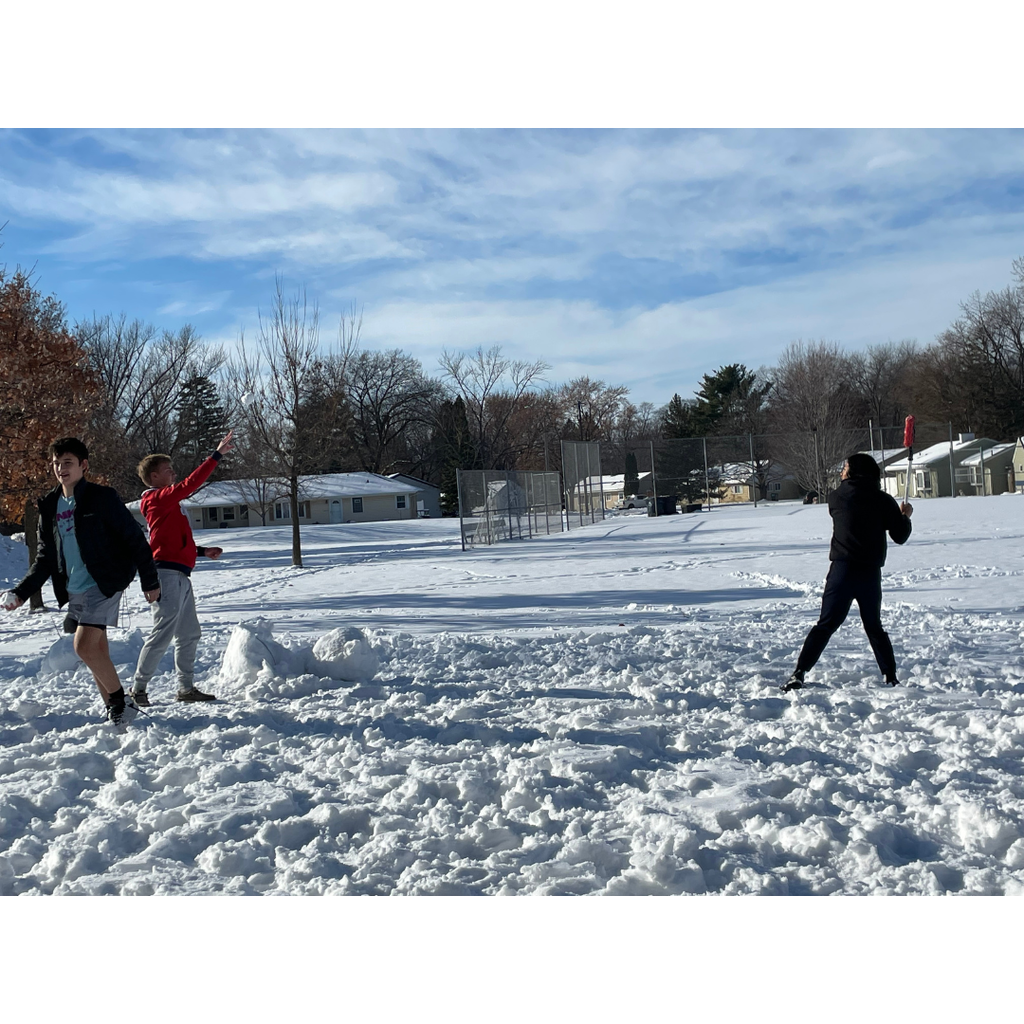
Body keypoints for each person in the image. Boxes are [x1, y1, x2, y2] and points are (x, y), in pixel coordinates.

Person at [1, 437, 160, 729]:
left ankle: (121, 704)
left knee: (83, 646)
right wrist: (22, 592)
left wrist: (149, 579)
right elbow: (46, 556)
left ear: (83, 465)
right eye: (56, 463)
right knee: (97, 651)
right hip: (74, 586)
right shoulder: (49, 505)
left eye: (68, 463)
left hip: (105, 582)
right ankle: (116, 715)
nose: (61, 469)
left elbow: (134, 538)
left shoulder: (102, 498)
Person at [783, 452, 913, 692]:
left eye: (845, 467)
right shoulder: (883, 500)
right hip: (870, 573)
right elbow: (900, 536)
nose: (842, 471)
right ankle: (890, 675)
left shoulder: (836, 497)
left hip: (841, 571)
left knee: (826, 624)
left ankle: (799, 671)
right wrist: (904, 516)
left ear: (855, 471)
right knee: (873, 626)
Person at [131, 430, 234, 705]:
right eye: (168, 470)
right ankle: (138, 689)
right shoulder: (156, 498)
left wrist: (201, 551)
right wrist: (216, 456)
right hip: (165, 575)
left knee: (189, 633)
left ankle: (185, 689)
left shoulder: (169, 505)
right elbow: (190, 484)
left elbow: (171, 540)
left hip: (180, 575)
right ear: (154, 477)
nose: (173, 473)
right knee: (163, 632)